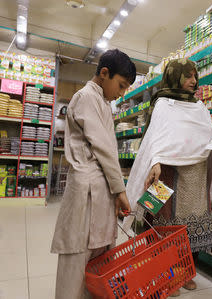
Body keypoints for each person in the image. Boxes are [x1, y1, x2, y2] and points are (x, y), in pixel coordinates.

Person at [124, 58, 212, 297]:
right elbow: (154, 138)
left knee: (192, 222)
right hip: (165, 173)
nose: (194, 81)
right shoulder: (163, 104)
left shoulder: (198, 106)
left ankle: (185, 272)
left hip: (195, 174)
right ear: (174, 76)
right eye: (188, 76)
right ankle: (163, 272)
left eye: (195, 76)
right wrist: (154, 160)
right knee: (160, 223)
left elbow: (203, 134)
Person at [51, 49, 135, 299]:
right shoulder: (86, 97)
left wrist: (115, 190)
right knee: (78, 257)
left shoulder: (102, 101)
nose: (121, 93)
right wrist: (120, 191)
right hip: (87, 188)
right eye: (120, 85)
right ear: (104, 73)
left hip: (99, 189)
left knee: (98, 257)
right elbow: (105, 149)